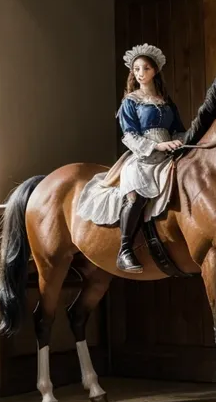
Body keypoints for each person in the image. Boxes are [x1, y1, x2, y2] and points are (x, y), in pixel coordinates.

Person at [77, 43, 185, 273]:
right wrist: (158, 145)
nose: (140, 73)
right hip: (142, 156)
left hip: (169, 155)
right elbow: (129, 135)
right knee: (135, 196)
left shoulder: (166, 101)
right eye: (136, 69)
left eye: (145, 68)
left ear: (155, 70)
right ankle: (124, 250)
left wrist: (181, 141)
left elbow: (179, 129)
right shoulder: (130, 101)